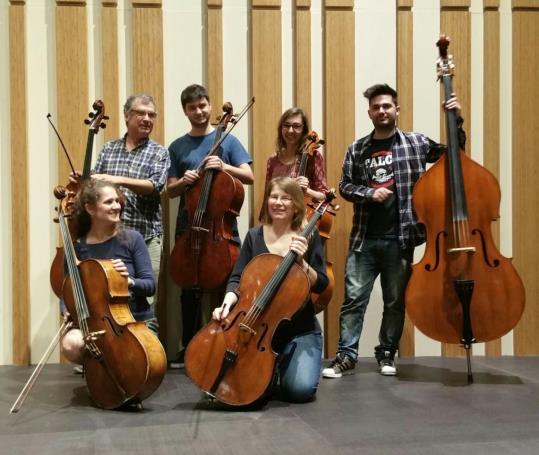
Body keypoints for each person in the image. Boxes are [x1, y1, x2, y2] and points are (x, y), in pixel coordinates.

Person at [322, 83, 464, 378]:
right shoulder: (357, 148)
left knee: (394, 301)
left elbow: (453, 153)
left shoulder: (416, 143)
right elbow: (344, 186)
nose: (382, 111)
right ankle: (346, 357)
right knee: (353, 302)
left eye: (387, 106)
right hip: (364, 240)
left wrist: (456, 119)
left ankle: (386, 354)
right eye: (376, 107)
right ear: (369, 112)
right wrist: (368, 193)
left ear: (396, 110)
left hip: (401, 239)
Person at [213, 177, 328, 402]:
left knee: (299, 391)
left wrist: (302, 263)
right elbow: (237, 278)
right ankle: (272, 368)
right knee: (246, 389)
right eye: (274, 197)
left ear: (296, 204)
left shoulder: (307, 237)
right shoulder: (255, 236)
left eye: (286, 198)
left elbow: (322, 283)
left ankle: (282, 366)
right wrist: (227, 303)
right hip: (258, 328)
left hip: (299, 330)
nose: (278, 202)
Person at [167, 84, 254, 367]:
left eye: (203, 105)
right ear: (185, 111)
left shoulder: (227, 140)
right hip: (189, 226)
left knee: (224, 287)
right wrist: (184, 182)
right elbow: (169, 190)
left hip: (221, 229)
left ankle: (221, 343)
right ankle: (188, 346)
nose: (199, 111)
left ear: (209, 105)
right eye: (192, 107)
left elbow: (249, 176)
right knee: (188, 287)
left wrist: (224, 167)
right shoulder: (178, 146)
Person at [73, 94, 169, 335]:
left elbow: (155, 185)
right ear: (127, 116)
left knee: (143, 299)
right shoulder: (109, 149)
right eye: (141, 113)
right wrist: (83, 180)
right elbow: (94, 189)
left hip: (144, 237)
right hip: (107, 237)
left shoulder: (159, 152)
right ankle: (105, 348)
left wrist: (117, 179)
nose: (147, 119)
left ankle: (141, 349)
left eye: (151, 115)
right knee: (103, 295)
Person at [60, 179, 157, 364]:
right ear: (90, 209)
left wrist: (129, 281)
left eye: (117, 201)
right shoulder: (75, 249)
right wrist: (65, 310)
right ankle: (96, 369)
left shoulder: (132, 239)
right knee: (71, 343)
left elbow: (150, 285)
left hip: (135, 320)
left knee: (132, 359)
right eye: (109, 202)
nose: (116, 206)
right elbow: (66, 291)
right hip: (96, 324)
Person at [264, 107, 328, 201]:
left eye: (296, 126)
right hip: (277, 212)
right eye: (286, 125)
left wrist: (307, 191)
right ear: (281, 128)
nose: (290, 130)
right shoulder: (273, 160)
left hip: (303, 214)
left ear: (304, 130)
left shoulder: (313, 157)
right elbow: (267, 195)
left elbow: (323, 196)